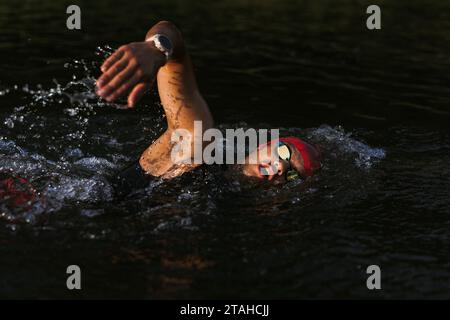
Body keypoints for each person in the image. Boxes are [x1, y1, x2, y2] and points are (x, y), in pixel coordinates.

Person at [96, 21, 321, 194]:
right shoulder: (198, 153)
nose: (281, 167)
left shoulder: (238, 215)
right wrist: (156, 48)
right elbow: (175, 42)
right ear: (267, 144)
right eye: (283, 152)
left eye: (292, 175)